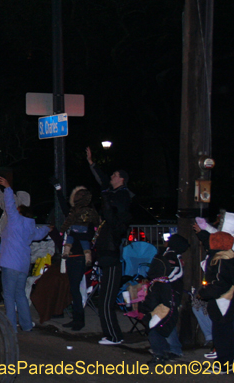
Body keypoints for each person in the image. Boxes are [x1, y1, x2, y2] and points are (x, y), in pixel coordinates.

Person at [86, 146, 132, 346]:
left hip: (113, 258)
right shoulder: (112, 194)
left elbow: (117, 218)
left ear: (121, 179)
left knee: (106, 300)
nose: (111, 177)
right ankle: (110, 335)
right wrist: (91, 163)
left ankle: (115, 336)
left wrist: (108, 202)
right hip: (106, 256)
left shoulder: (122, 197)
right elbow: (103, 182)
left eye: (114, 175)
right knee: (103, 298)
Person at [0, 176, 51, 332]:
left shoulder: (15, 220)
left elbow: (9, 205)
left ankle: (11, 327)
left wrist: (7, 188)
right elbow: (40, 235)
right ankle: (26, 325)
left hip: (10, 263)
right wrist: (48, 228)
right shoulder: (30, 226)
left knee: (8, 295)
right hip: (23, 265)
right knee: (20, 294)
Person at [53, 183, 99, 331]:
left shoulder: (89, 216)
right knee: (74, 288)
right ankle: (77, 318)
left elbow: (89, 235)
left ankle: (79, 320)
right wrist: (58, 189)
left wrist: (74, 232)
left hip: (79, 256)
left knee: (75, 288)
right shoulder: (76, 214)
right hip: (74, 255)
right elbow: (64, 207)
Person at [139, 233, 190, 365]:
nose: (165, 242)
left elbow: (171, 274)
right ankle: (172, 349)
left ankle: (161, 352)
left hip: (166, 295)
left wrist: (160, 281)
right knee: (167, 320)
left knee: (157, 320)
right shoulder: (171, 255)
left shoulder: (170, 257)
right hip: (169, 294)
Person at [195, 226, 234, 368]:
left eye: (213, 240)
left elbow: (221, 283)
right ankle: (225, 359)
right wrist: (201, 233)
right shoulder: (223, 255)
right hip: (222, 301)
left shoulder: (222, 260)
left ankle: (224, 364)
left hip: (222, 301)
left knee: (222, 334)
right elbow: (211, 244)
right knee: (222, 332)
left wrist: (204, 293)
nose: (210, 243)